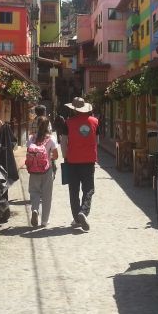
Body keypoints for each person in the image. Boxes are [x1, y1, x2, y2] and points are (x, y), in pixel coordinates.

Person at [64, 97, 99, 231]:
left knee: (74, 190)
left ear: (74, 110)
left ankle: (77, 218)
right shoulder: (95, 121)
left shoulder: (67, 123)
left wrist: (66, 157)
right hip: (89, 160)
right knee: (89, 189)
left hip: (72, 160)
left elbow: (64, 142)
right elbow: (97, 141)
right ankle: (83, 212)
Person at [26, 116, 59, 228]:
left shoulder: (32, 138)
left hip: (33, 170)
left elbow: (28, 152)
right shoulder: (51, 139)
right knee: (46, 195)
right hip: (46, 169)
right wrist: (47, 157)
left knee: (34, 192)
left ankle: (35, 209)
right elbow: (56, 156)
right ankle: (44, 221)